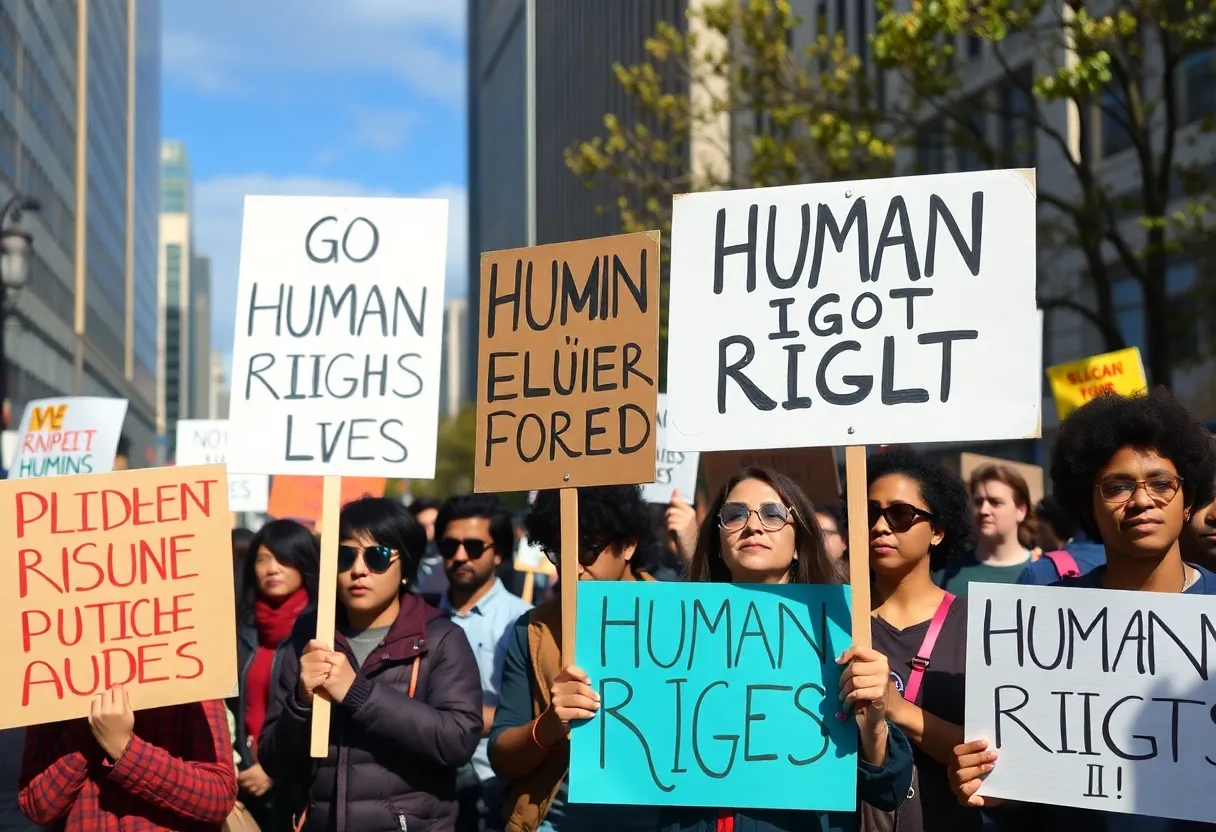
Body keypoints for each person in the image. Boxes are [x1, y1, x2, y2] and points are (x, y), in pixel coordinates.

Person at [949, 388, 1216, 830]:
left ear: (1188, 501)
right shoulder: (1041, 624)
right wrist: (994, 783)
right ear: (1088, 507)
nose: (1141, 500)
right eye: (1117, 487)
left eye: (1161, 484)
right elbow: (1027, 780)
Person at [661, 467, 913, 831]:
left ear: (799, 543)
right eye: (735, 514)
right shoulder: (670, 633)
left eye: (773, 514)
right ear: (717, 541)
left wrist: (873, 722)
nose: (753, 526)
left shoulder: (841, 633)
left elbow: (887, 789)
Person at [259, 497, 483, 832]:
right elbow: (275, 762)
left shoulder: (439, 639)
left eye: (376, 556)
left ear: (406, 567)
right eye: (345, 556)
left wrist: (357, 693)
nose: (358, 570)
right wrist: (301, 703)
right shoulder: (310, 638)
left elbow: (457, 741)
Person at [488, 485, 663, 832]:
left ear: (629, 545)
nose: (573, 568)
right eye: (558, 552)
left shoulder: (682, 615)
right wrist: (548, 726)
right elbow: (503, 756)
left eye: (587, 549)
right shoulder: (534, 630)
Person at [867, 450, 988, 831]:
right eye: (869, 513)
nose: (880, 527)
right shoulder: (836, 620)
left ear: (938, 531)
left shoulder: (978, 625)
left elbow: (992, 753)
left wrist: (896, 709)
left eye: (900, 514)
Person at [436, 494, 533, 832]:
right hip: (425, 779)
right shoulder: (419, 617)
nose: (460, 556)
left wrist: (446, 720)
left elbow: (527, 713)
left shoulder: (524, 622)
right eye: (450, 546)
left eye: (475, 547)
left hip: (494, 782)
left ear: (499, 553)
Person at [19, 688, 236, 830]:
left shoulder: (192, 679)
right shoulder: (54, 686)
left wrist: (126, 750)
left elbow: (219, 795)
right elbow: (37, 804)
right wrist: (84, 726)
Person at [232, 519, 319, 831]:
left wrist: (274, 770)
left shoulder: (321, 632)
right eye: (263, 559)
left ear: (304, 562)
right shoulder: (239, 631)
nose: (272, 569)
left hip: (298, 788)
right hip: (241, 780)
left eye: (283, 559)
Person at [936, 464, 1036, 597]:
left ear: (1021, 511)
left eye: (995, 502)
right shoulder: (946, 571)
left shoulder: (1041, 571)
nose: (984, 510)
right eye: (978, 502)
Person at [1018, 494, 1106, 584]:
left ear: (1044, 526)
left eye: (1033, 542)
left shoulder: (1036, 573)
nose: (1037, 547)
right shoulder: (1110, 554)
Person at [410, 497, 449, 602]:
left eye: (434, 524)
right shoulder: (406, 562)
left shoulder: (453, 560)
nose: (429, 531)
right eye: (422, 526)